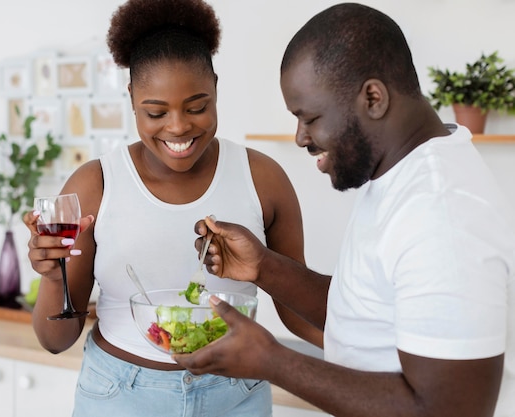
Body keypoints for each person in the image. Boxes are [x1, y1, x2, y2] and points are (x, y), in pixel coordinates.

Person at [173, 3, 515, 417]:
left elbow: (448, 409)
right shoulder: (399, 177)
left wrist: (272, 361)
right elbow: (363, 313)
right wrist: (262, 267)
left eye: (310, 117)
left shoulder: (441, 211)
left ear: (373, 97)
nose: (300, 137)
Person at [23, 0, 321, 416]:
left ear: (216, 88)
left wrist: (393, 350)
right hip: (120, 396)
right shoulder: (95, 185)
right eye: (156, 112)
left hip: (237, 396)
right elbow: (55, 340)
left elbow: (300, 313)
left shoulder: (263, 178)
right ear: (131, 99)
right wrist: (52, 277)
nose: (179, 127)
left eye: (197, 107)